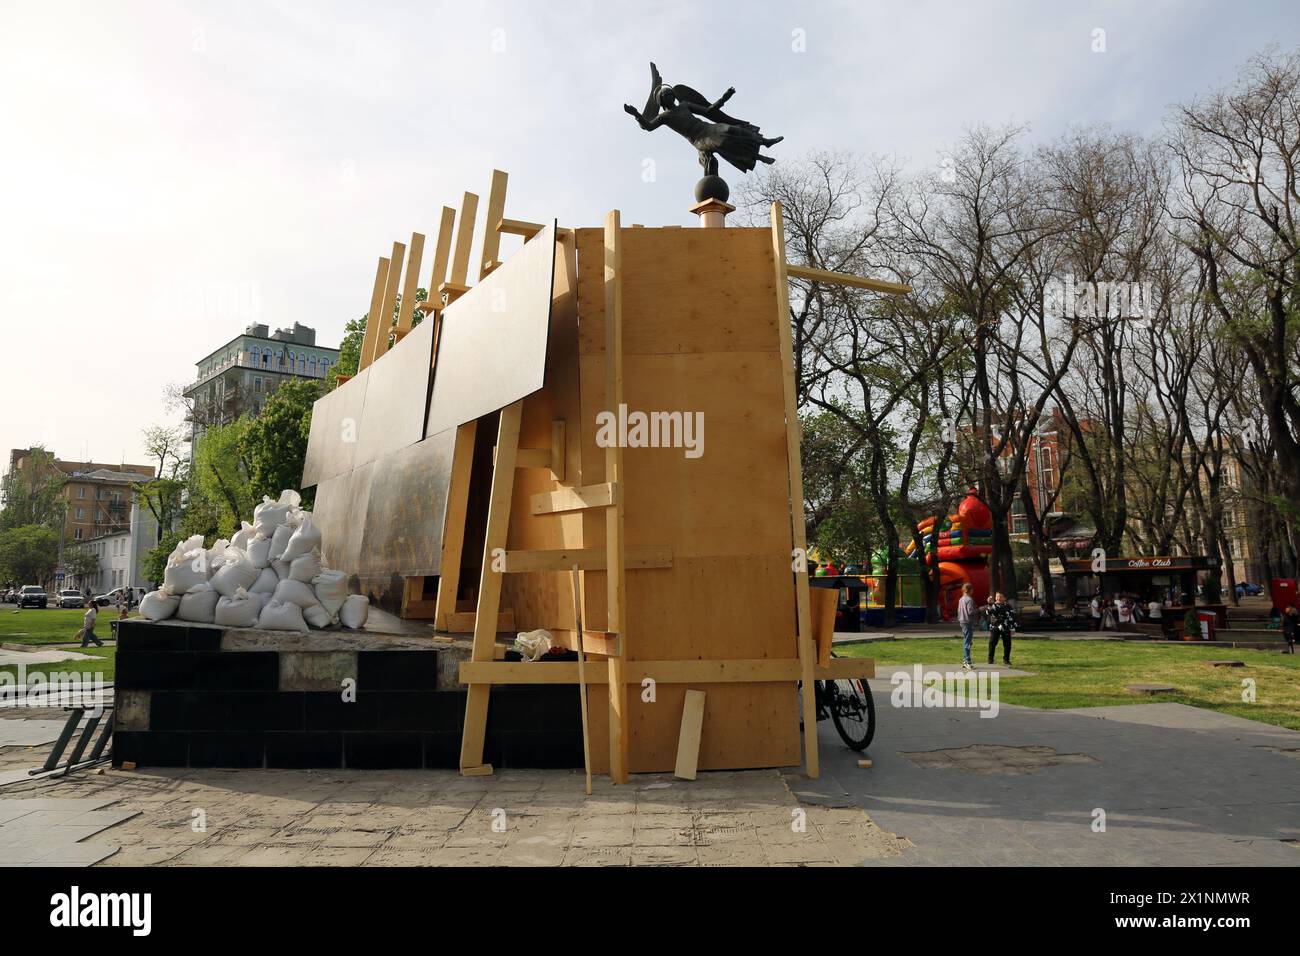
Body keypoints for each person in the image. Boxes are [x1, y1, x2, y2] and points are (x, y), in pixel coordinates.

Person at [985, 591, 1016, 666]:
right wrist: (989, 603)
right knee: (992, 643)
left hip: (1006, 627)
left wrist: (1013, 627)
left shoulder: (1008, 606)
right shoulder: (993, 605)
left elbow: (1012, 617)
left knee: (1007, 644)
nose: (999, 598)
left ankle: (1006, 660)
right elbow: (988, 612)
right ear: (995, 598)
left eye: (1001, 596)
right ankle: (990, 659)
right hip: (995, 627)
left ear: (1004, 598)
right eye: (997, 596)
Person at [957, 582, 976, 670]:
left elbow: (958, 610)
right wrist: (978, 610)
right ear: (970, 590)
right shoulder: (969, 600)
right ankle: (968, 661)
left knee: (967, 641)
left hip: (962, 621)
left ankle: (965, 660)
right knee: (968, 642)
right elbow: (970, 612)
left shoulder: (961, 599)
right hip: (968, 622)